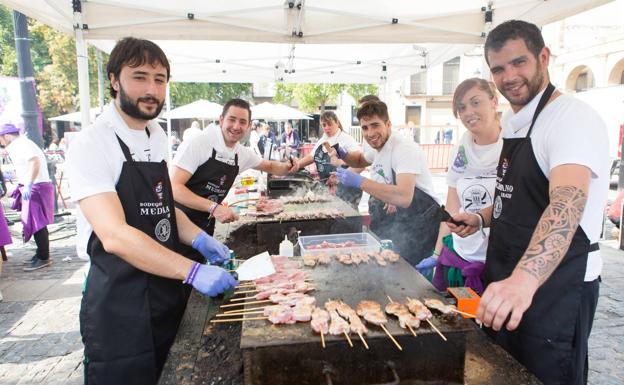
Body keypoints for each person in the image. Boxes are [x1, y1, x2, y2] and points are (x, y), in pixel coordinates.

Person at [66, 37, 237, 385]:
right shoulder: (92, 143)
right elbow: (114, 235)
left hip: (163, 290)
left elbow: (162, 208)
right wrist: (192, 271)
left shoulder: (156, 135)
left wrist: (201, 238)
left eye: (159, 80)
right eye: (139, 77)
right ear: (114, 80)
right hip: (120, 302)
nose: (151, 89)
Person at [447, 20, 609, 385]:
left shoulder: (570, 118)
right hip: (508, 277)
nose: (510, 76)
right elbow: (519, 198)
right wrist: (481, 218)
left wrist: (522, 281)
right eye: (499, 69)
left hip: (556, 286)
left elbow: (566, 203)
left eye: (519, 62)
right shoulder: (516, 120)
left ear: (544, 57)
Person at [415, 78, 502, 294]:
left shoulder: (513, 147)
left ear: (494, 102)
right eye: (461, 107)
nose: (468, 112)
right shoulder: (460, 152)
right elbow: (452, 209)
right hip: (460, 258)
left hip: (499, 265)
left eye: (475, 102)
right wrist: (437, 253)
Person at [170, 98, 299, 237]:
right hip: (177, 224)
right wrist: (214, 208)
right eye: (232, 119)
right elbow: (173, 186)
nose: (236, 126)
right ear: (221, 120)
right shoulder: (198, 143)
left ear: (249, 126)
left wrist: (288, 165)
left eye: (242, 122)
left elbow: (270, 166)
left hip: (205, 224)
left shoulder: (241, 153)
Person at [335, 99, 441, 265]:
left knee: (406, 275)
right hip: (398, 219)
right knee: (384, 264)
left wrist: (359, 181)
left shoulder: (404, 149)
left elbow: (404, 197)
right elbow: (361, 160)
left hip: (420, 222)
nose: (370, 133)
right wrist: (343, 154)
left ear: (388, 124)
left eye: (375, 125)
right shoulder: (375, 145)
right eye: (365, 127)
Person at [0, 123, 54, 271]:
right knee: (36, 223)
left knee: (38, 224)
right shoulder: (21, 144)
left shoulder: (20, 144)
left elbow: (34, 162)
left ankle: (44, 257)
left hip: (36, 186)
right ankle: (41, 253)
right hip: (34, 185)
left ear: (6, 135)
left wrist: (29, 183)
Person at [297, 111, 364, 209]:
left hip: (346, 190)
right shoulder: (323, 139)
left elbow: (360, 164)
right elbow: (311, 156)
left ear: (337, 122)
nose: (326, 128)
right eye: (324, 125)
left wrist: (340, 177)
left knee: (347, 220)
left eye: (329, 124)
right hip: (327, 189)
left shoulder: (346, 139)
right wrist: (297, 165)